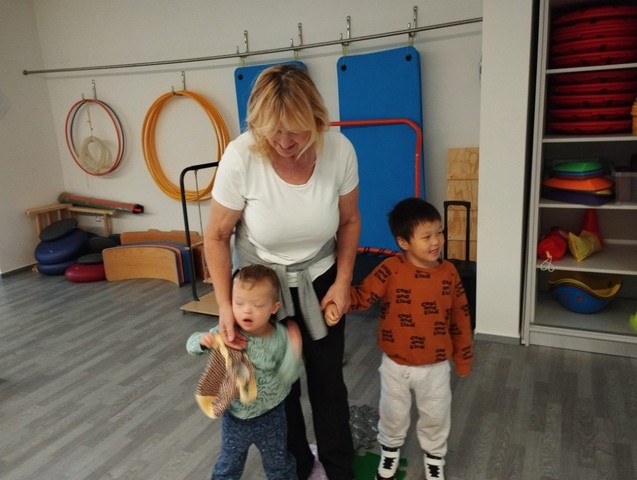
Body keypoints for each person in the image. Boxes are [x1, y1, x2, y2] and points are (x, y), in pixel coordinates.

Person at [204, 64, 361, 480]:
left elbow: (349, 221)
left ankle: (339, 468)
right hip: (261, 285)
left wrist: (343, 282)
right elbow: (217, 235)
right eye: (273, 131)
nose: (285, 142)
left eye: (296, 130)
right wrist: (225, 306)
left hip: (320, 278)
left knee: (328, 381)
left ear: (316, 118)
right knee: (277, 384)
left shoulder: (339, 150)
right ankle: (297, 466)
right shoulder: (241, 155)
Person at [325, 197, 474, 480]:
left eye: (439, 232)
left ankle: (434, 458)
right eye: (426, 236)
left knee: (436, 417)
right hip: (395, 364)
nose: (436, 241)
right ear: (404, 242)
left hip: (435, 366)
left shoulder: (449, 273)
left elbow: (461, 317)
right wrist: (337, 302)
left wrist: (463, 357)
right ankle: (390, 453)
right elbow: (363, 295)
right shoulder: (390, 269)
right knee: (392, 414)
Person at [187, 264, 303, 480]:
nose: (247, 311)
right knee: (229, 464)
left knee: (279, 464)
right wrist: (202, 341)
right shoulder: (227, 332)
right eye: (238, 303)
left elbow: (288, 376)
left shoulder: (279, 337)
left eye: (257, 305)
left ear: (274, 307)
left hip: (272, 417)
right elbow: (191, 346)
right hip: (235, 418)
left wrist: (294, 352)